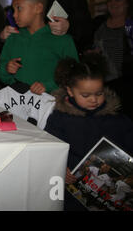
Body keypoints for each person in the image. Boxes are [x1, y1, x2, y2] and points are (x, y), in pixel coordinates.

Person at [44, 53, 133, 210]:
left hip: (107, 197)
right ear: (70, 91)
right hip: (70, 189)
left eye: (99, 93)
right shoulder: (59, 118)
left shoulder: (118, 119)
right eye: (85, 95)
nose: (94, 99)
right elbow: (49, 148)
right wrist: (59, 168)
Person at [0, 0, 79, 94]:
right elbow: (2, 73)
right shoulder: (13, 38)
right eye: (14, 10)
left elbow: (74, 75)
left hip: (52, 105)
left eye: (19, 8)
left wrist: (48, 86)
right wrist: (7, 69)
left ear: (38, 8)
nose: (14, 15)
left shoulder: (62, 40)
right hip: (18, 104)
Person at [92, 0, 133, 119]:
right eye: (110, 0)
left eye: (118, 0)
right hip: (101, 82)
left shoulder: (130, 24)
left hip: (126, 83)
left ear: (127, 3)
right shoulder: (98, 23)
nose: (113, 3)